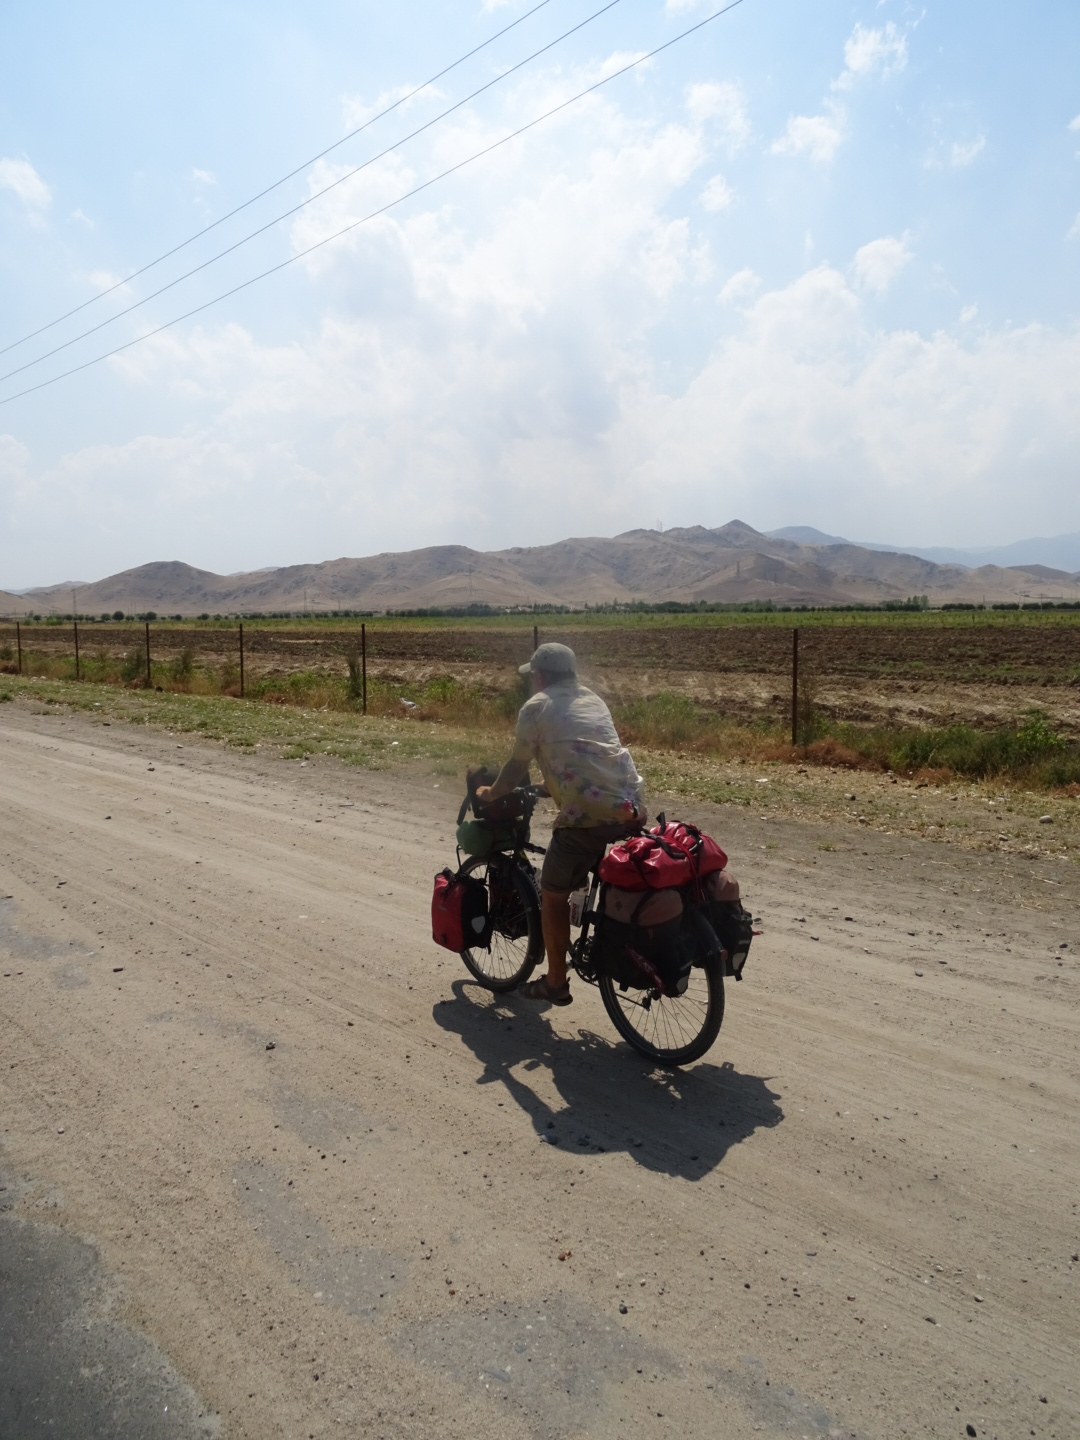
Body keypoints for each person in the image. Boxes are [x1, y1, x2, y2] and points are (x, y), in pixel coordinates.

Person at [473, 642, 645, 1005]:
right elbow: (585, 757)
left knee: (552, 893)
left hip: (587, 817)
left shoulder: (536, 707)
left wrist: (490, 793)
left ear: (539, 675)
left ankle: (555, 983)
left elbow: (516, 766)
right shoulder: (593, 700)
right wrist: (550, 785)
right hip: (631, 807)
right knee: (580, 868)